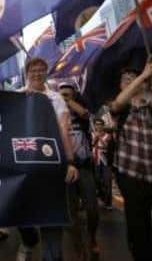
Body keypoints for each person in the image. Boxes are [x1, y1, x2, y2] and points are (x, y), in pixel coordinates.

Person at [110, 61, 152, 261]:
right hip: (129, 172)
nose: (131, 82)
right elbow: (118, 103)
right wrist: (142, 76)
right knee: (138, 224)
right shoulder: (120, 106)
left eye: (136, 79)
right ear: (122, 86)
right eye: (126, 80)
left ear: (145, 85)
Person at [16, 58, 78, 261]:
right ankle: (28, 240)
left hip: (52, 163)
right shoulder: (16, 96)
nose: (37, 73)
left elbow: (64, 129)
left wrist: (70, 162)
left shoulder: (56, 98)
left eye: (41, 69)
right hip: (23, 164)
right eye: (33, 70)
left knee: (51, 215)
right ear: (26, 73)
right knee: (20, 209)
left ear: (46, 72)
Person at [58, 83, 99, 259]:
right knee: (70, 212)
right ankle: (78, 246)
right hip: (65, 168)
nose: (64, 96)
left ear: (74, 95)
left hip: (83, 167)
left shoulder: (80, 113)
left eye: (68, 94)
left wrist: (68, 100)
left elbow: (84, 114)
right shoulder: (56, 114)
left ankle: (91, 237)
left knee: (92, 208)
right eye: (61, 94)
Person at [91, 118, 113, 209]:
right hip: (95, 160)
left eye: (100, 124)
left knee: (107, 181)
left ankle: (108, 203)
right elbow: (90, 145)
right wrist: (95, 137)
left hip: (105, 161)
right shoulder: (91, 134)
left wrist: (100, 137)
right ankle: (101, 196)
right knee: (97, 180)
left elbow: (106, 146)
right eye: (97, 124)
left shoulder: (108, 136)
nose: (98, 126)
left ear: (103, 126)